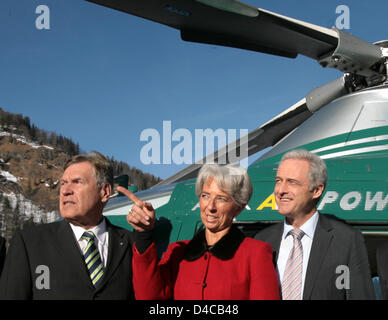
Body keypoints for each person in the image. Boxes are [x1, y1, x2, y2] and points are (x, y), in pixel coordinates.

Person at [120, 163, 280, 300]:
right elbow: (149, 297)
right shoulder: (178, 252)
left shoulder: (256, 253)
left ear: (238, 208)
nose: (210, 207)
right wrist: (143, 233)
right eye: (205, 196)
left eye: (221, 198)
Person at [0, 151, 135, 300]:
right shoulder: (29, 243)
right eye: (63, 183)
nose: (65, 191)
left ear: (104, 192)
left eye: (77, 182)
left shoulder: (129, 244)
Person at [255, 149, 375, 300]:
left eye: (292, 182)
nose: (280, 190)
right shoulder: (262, 240)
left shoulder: (346, 240)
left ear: (317, 190)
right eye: (278, 181)